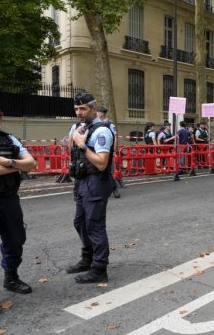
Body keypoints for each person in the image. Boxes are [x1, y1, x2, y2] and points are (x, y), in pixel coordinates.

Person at [0, 98, 37, 317]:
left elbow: (32, 163)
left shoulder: (9, 139)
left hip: (9, 199)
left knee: (15, 239)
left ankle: (11, 278)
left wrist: (9, 163)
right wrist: (17, 166)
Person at [66, 92, 114, 284]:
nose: (79, 112)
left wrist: (82, 145)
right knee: (80, 222)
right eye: (76, 109)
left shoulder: (102, 131)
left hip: (96, 181)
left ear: (93, 109)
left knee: (94, 225)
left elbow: (102, 163)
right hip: (81, 181)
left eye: (83, 108)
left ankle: (100, 268)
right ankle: (88, 258)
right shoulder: (83, 128)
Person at [96, 107, 121, 198]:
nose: (97, 114)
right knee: (99, 170)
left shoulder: (110, 124)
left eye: (99, 112)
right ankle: (103, 189)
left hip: (107, 150)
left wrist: (114, 150)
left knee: (107, 169)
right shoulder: (95, 123)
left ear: (102, 114)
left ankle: (113, 188)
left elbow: (115, 137)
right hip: (97, 149)